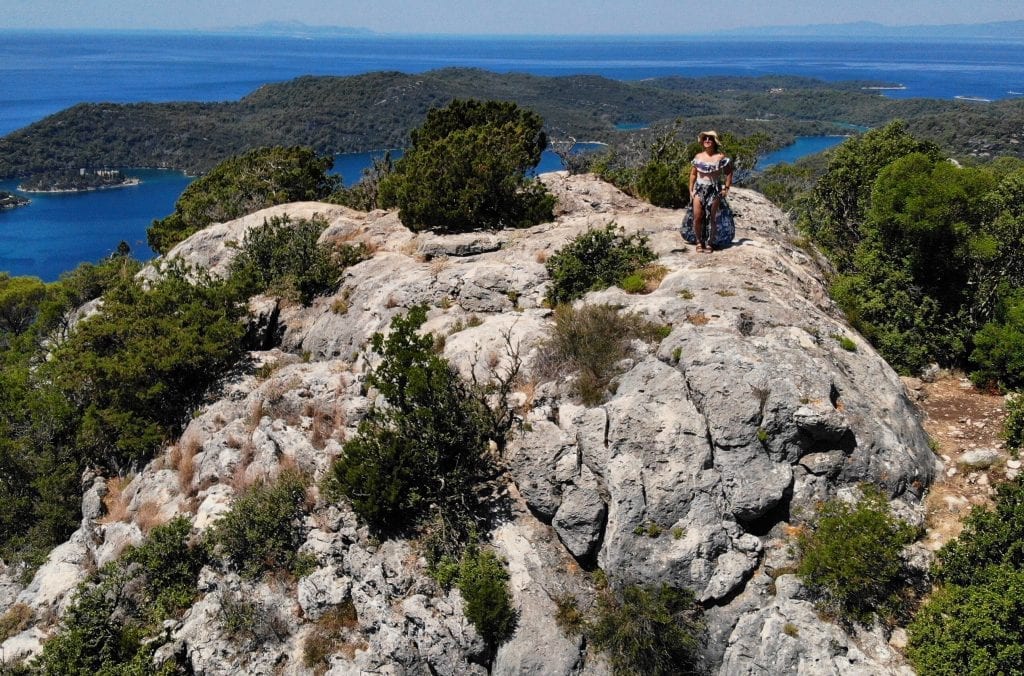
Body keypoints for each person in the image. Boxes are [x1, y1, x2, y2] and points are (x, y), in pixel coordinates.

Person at [688, 131, 733, 252]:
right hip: (699, 189)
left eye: (710, 139)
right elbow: (693, 174)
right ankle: (698, 241)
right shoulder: (698, 157)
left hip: (714, 189)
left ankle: (710, 243)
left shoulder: (720, 157)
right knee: (697, 216)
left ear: (714, 142)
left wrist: (726, 188)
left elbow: (729, 172)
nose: (707, 140)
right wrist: (690, 189)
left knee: (712, 217)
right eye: (705, 138)